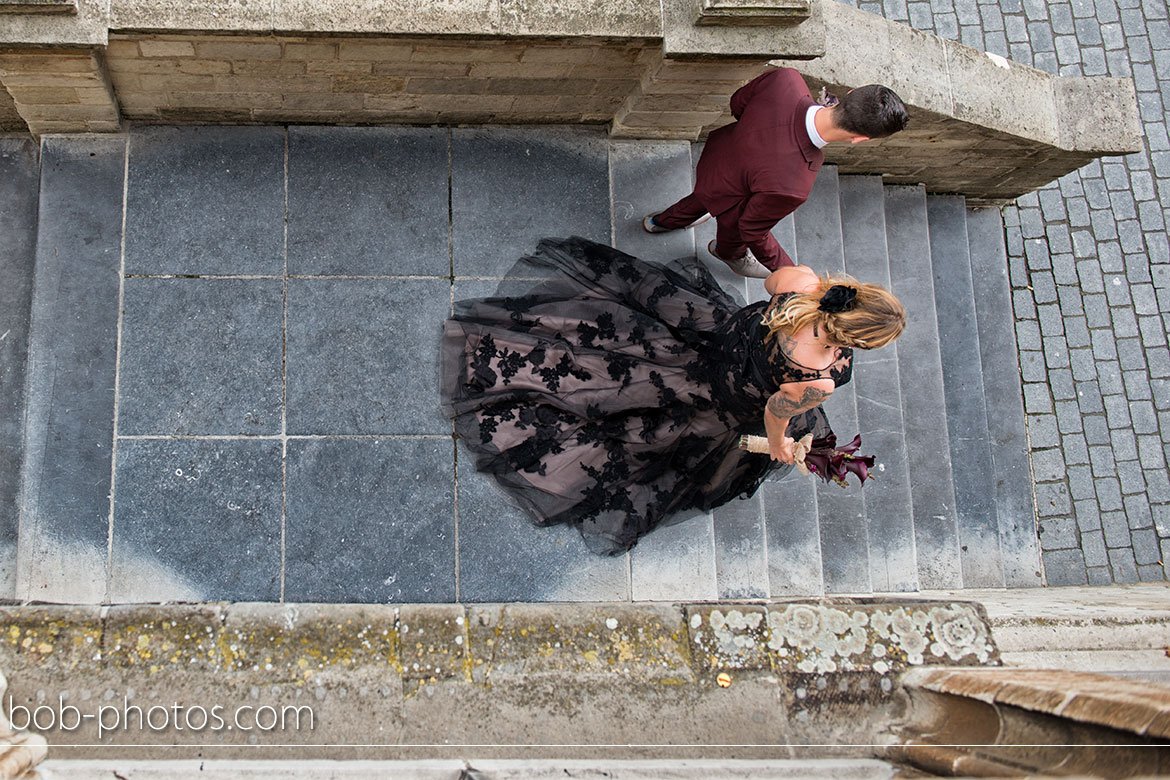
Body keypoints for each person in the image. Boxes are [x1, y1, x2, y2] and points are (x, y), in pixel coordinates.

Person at [440, 237, 905, 555]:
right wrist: (782, 448)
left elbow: (768, 284)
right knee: (656, 445)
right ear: (855, 339)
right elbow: (774, 413)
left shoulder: (802, 285)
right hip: (720, 402)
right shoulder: (820, 378)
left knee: (611, 355)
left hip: (708, 338)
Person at [643, 68, 909, 279]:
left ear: (850, 93)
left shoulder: (786, 79)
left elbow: (738, 103)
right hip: (733, 197)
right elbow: (752, 228)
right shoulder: (795, 183)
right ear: (860, 139)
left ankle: (659, 222)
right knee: (732, 230)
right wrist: (788, 270)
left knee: (702, 196)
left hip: (718, 156)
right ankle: (725, 253)